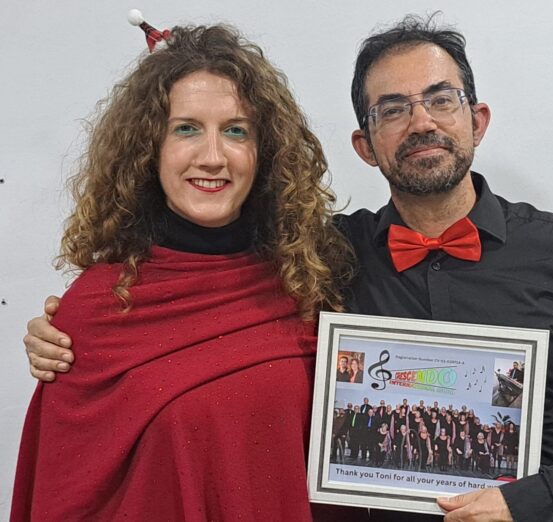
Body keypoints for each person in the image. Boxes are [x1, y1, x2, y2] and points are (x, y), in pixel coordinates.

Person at [23, 14, 553, 522]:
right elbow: (201, 281)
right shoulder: (319, 259)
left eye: (440, 99)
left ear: (476, 120)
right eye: (393, 108)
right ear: (365, 145)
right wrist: (74, 329)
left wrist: (533, 501)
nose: (420, 121)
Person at [12, 24, 358, 522]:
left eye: (236, 130)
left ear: (264, 153)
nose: (213, 156)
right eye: (186, 128)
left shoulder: (309, 280)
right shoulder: (94, 310)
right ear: (150, 149)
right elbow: (64, 495)